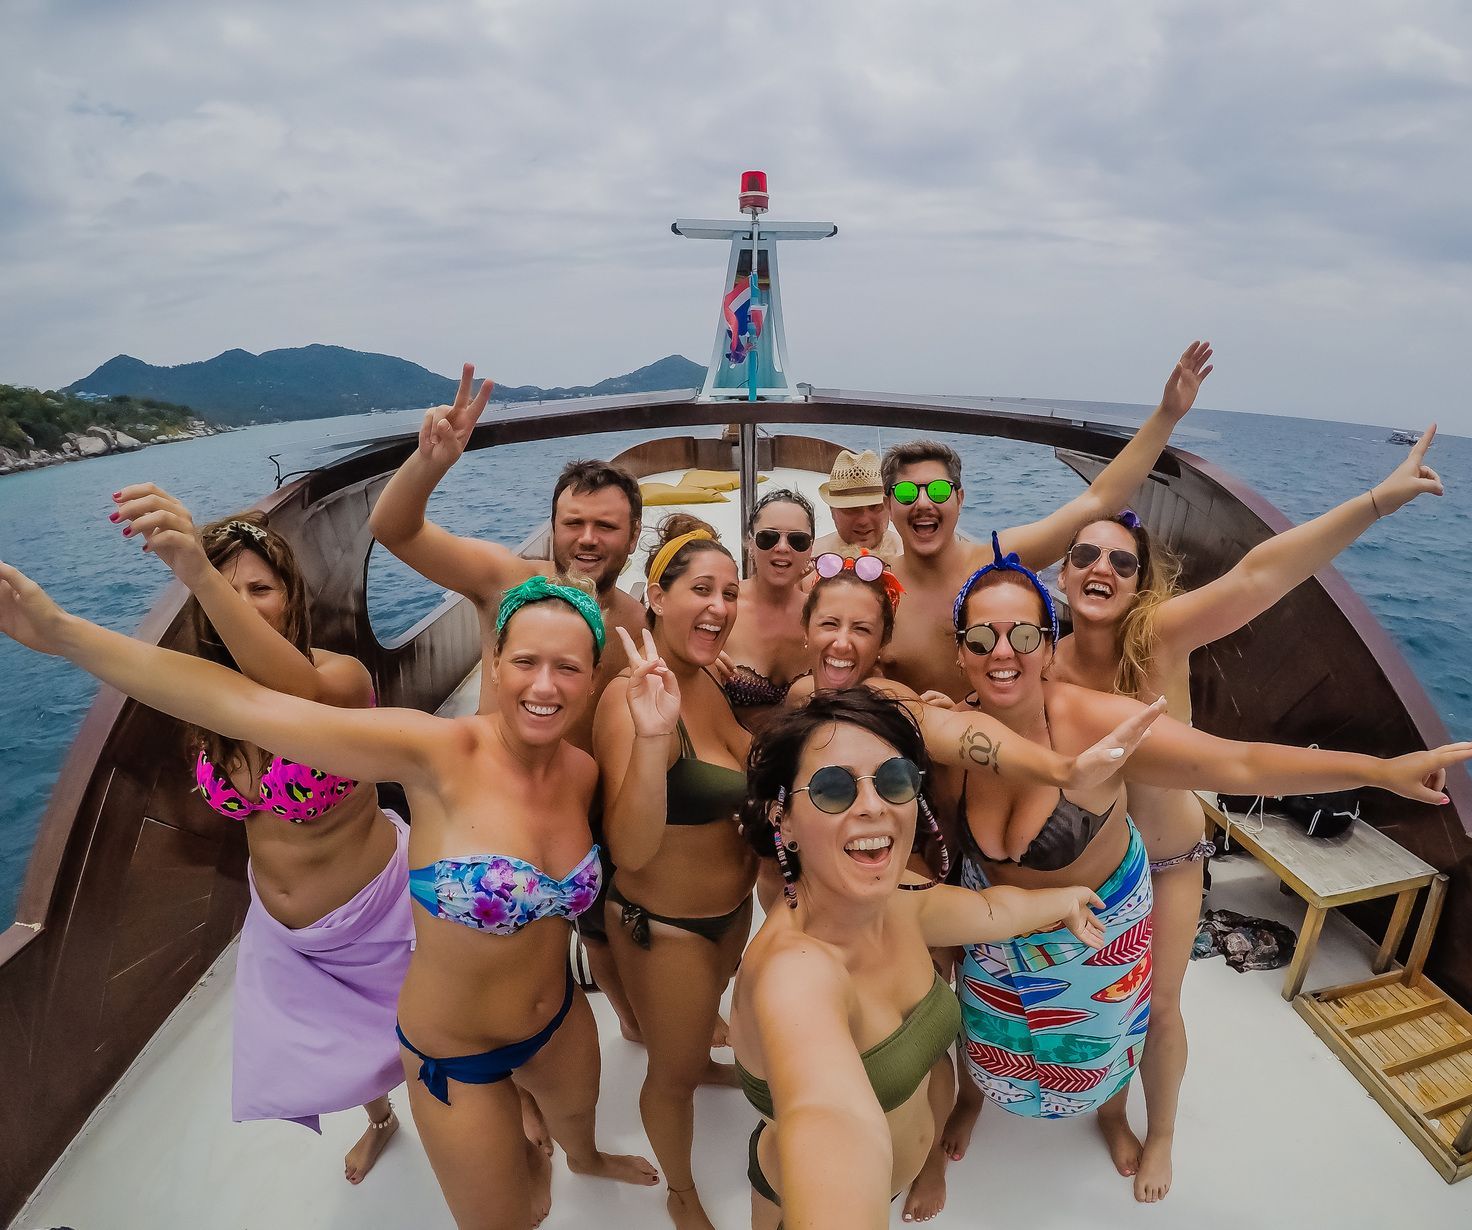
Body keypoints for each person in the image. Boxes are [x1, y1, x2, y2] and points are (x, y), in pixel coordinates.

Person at [0, 562, 660, 1229]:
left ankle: (584, 1159)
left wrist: (654, 738)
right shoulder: (437, 752)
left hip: (559, 1024)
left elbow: (634, 854)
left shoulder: (581, 772)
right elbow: (240, 706)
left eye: (567, 668)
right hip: (456, 1056)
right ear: (493, 663)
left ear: (593, 678)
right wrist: (62, 632)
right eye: (525, 661)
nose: (544, 685)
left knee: (577, 1124)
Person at [936, 541, 1472, 1171]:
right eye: (982, 638)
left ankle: (1115, 1116)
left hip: (1097, 927)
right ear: (961, 653)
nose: (1003, 653)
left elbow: (1239, 762)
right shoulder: (951, 733)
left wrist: (1379, 771)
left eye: (1025, 635)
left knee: (1113, 1033)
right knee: (985, 1022)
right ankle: (970, 1099)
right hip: (997, 924)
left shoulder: (1097, 724)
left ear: (1049, 649)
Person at [1044, 425, 1446, 1203]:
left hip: (1168, 863)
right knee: (1101, 1004)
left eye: (1122, 562)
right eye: (1085, 555)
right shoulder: (1044, 667)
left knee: (1160, 1005)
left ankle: (1160, 1131)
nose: (1101, 568)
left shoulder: (1158, 639)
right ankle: (1110, 1110)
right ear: (1061, 573)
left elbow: (1262, 574)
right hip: (1095, 871)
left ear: (1140, 585)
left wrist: (1375, 502)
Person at [730, 688, 1132, 1229]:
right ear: (784, 820)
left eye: (894, 780)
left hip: (909, 1162)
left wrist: (1061, 900)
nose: (873, 806)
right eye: (832, 789)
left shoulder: (896, 898)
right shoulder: (795, 973)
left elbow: (989, 911)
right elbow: (828, 1116)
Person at [110, 487, 408, 1184]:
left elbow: (299, 696)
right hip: (287, 934)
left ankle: (516, 1103)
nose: (242, 604)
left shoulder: (338, 678)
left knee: (448, 1034)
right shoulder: (212, 704)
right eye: (227, 591)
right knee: (337, 1052)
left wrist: (198, 569)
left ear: (292, 597)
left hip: (378, 915)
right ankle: (380, 1120)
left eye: (259, 589)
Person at [369, 363, 646, 1049]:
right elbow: (395, 530)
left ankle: (628, 1018)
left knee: (602, 924)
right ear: (551, 527)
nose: (587, 539)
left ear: (633, 536)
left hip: (580, 804)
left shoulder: (635, 620)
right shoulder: (506, 583)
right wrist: (429, 465)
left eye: (606, 526)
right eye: (573, 523)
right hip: (497, 807)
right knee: (513, 948)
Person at [877, 342, 1213, 700]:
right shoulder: (877, 587)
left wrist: (1167, 415)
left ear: (959, 499)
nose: (924, 503)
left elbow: (1098, 500)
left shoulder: (994, 562)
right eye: (907, 493)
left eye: (939, 491)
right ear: (887, 505)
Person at [592, 517, 754, 1230]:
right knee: (671, 1077)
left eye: (730, 593)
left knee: (694, 1033)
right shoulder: (632, 700)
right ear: (656, 597)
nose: (719, 606)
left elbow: (742, 755)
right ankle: (681, 1193)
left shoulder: (707, 679)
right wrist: (655, 738)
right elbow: (628, 848)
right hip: (667, 927)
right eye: (701, 590)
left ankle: (696, 1058)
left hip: (730, 914)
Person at [717, 490, 816, 725]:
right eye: (768, 537)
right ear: (750, 543)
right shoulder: (721, 608)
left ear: (810, 549)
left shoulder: (822, 616)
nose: (782, 547)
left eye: (797, 540)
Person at [812, 448, 903, 558]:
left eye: (874, 507)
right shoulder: (811, 557)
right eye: (851, 509)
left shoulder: (910, 557)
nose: (863, 521)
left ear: (889, 507)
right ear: (832, 511)